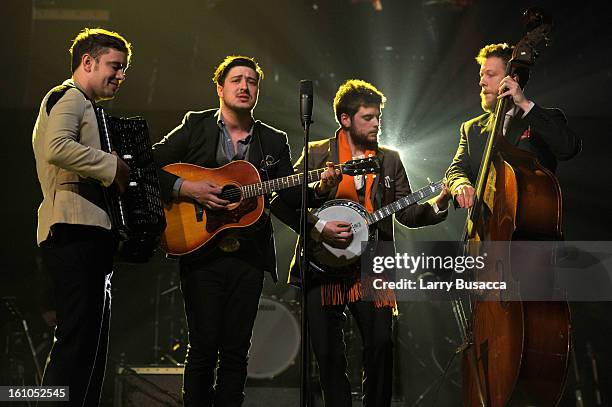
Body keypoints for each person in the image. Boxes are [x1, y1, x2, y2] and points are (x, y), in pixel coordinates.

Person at [272, 79, 449, 406]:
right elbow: (283, 202)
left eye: (378, 117)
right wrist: (318, 226)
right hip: (321, 265)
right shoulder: (317, 153)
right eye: (368, 117)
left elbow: (406, 212)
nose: (376, 123)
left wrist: (437, 205)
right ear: (345, 119)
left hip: (372, 264)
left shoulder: (390, 160)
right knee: (326, 352)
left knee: (381, 345)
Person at [152, 55, 315, 407]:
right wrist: (188, 188)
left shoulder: (274, 140)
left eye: (252, 81)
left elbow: (290, 195)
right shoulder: (195, 126)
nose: (245, 86)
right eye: (237, 79)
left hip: (249, 256)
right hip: (200, 251)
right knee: (203, 346)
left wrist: (321, 182)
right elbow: (151, 163)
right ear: (220, 87)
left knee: (236, 350)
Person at [32, 28, 131, 406]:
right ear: (87, 62)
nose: (120, 76)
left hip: (88, 234)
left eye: (124, 69)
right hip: (74, 233)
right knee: (76, 347)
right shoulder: (69, 97)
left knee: (88, 349)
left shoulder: (85, 104)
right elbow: (57, 147)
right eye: (115, 66)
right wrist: (113, 167)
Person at [446, 43, 581, 208]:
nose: (482, 82)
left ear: (512, 80)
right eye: (481, 75)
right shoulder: (471, 129)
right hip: (485, 228)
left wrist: (525, 104)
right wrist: (460, 184)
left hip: (530, 222)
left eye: (490, 74)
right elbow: (456, 169)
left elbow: (568, 148)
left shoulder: (545, 118)